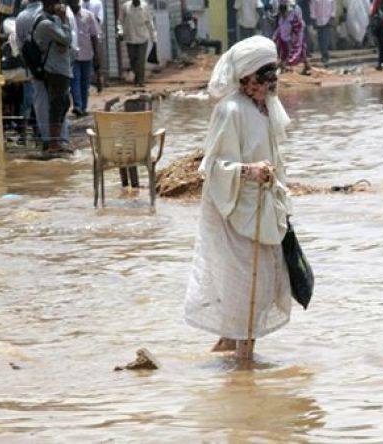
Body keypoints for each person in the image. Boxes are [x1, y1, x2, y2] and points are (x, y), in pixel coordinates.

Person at [184, 36, 294, 360]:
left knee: (263, 288)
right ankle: (244, 369)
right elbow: (214, 167)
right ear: (245, 79)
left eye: (273, 76)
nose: (269, 85)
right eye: (263, 79)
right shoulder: (230, 110)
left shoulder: (266, 107)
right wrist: (250, 170)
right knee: (246, 291)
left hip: (265, 210)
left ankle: (233, 360)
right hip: (237, 212)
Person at [33, 0, 74, 154]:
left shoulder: (52, 20)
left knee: (64, 103)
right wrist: (64, 21)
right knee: (56, 105)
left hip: (61, 68)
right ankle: (54, 144)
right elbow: (67, 39)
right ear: (50, 4)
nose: (61, 6)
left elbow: (65, 41)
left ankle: (56, 140)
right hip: (55, 70)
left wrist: (63, 40)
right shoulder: (46, 24)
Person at [68, 0, 100, 116]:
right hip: (73, 56)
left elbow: (94, 36)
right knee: (74, 80)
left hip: (87, 54)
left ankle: (83, 106)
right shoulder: (66, 16)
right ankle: (78, 105)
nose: (72, 4)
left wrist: (97, 55)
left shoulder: (88, 15)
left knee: (84, 82)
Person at [117, 0, 157, 87]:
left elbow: (149, 22)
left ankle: (140, 81)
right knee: (133, 60)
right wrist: (120, 32)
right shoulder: (125, 7)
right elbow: (120, 21)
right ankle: (137, 78)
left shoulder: (144, 7)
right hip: (130, 38)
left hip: (142, 38)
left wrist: (154, 38)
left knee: (141, 60)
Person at [273, 0, 313, 75]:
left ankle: (300, 67)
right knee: (283, 50)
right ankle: (285, 65)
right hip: (285, 32)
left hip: (296, 33)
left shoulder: (295, 12)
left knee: (298, 50)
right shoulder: (281, 17)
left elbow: (298, 27)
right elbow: (280, 28)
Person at [310, 0, 337, 66]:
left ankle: (325, 54)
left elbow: (333, 7)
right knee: (320, 38)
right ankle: (324, 53)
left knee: (325, 37)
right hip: (318, 20)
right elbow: (312, 7)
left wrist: (332, 17)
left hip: (327, 20)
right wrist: (313, 18)